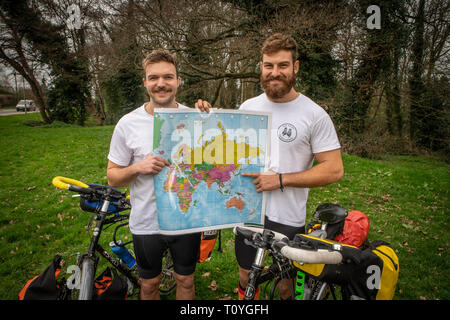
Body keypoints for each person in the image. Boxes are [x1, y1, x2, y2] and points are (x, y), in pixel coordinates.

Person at [195, 33, 344, 299]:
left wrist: (281, 179)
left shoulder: (314, 114)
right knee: (245, 274)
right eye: (269, 65)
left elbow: (334, 169)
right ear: (261, 67)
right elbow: (229, 152)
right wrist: (207, 119)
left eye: (283, 65)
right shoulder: (248, 106)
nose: (275, 72)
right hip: (248, 211)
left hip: (287, 217)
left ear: (295, 67)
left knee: (285, 285)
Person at [107, 49, 201, 300]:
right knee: (149, 286)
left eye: (168, 77)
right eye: (154, 77)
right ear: (145, 82)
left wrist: (210, 117)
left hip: (186, 219)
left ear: (178, 81)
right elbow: (112, 177)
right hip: (146, 222)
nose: (161, 84)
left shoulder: (195, 118)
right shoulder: (127, 124)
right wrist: (138, 167)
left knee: (186, 281)